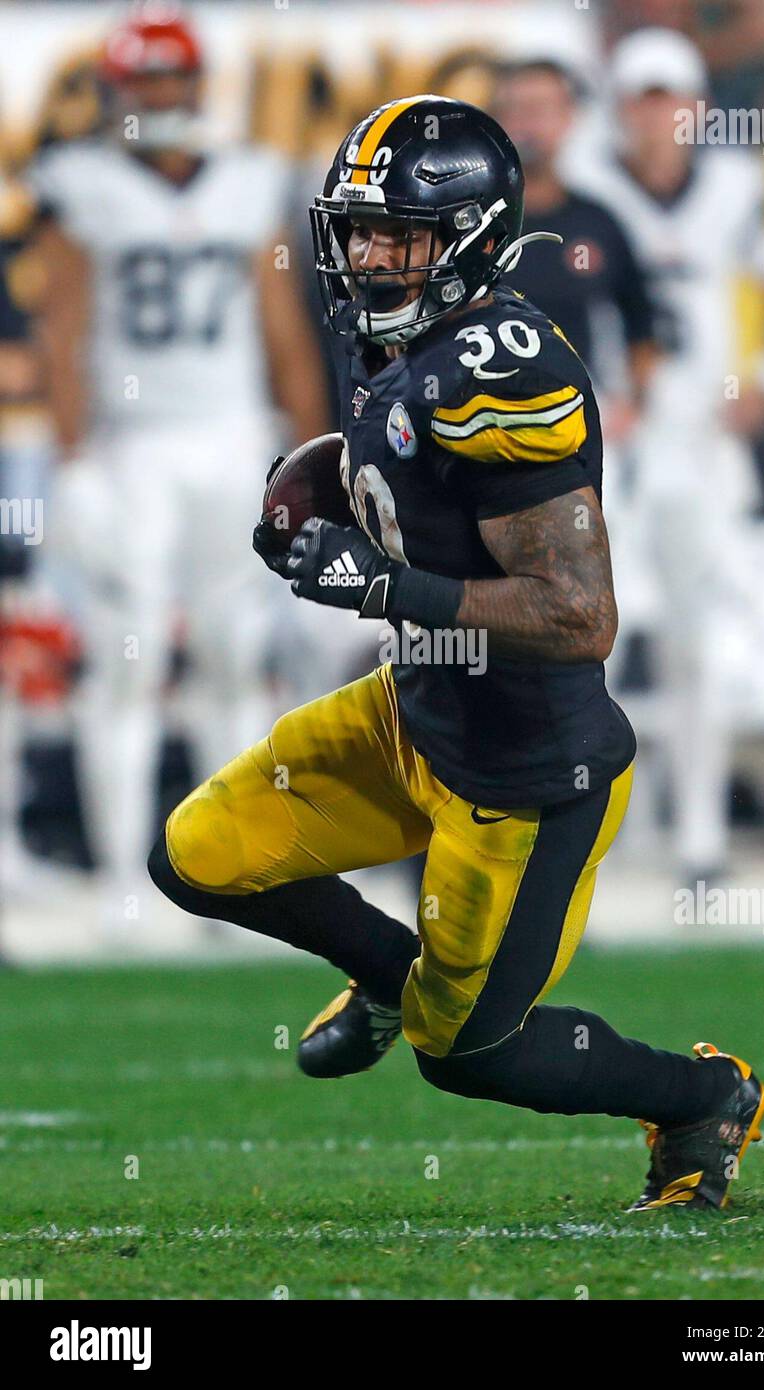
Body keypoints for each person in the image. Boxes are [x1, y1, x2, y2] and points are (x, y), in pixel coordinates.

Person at [149, 94, 764, 1212]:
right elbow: (420, 479)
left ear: (474, 235)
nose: (371, 257)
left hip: (523, 777)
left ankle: (702, 1095)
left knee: (470, 1053)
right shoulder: (396, 339)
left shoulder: (507, 370)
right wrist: (341, 491)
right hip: (415, 712)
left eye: (401, 235)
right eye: (359, 228)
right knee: (198, 854)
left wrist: (391, 582)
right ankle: (391, 980)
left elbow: (581, 616)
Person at [27, 8, 329, 926]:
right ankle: (126, 872)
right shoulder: (81, 185)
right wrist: (71, 458)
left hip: (234, 439)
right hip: (133, 450)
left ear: (197, 85)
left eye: (170, 78)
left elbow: (281, 326)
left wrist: (316, 455)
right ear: (116, 90)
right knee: (129, 661)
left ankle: (226, 872)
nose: (157, 96)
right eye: (141, 80)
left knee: (237, 659)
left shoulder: (246, 182)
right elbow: (62, 328)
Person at [568, 27, 764, 885]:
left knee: (698, 646)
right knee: (593, 643)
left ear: (696, 106)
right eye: (642, 97)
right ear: (619, 106)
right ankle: (601, 836)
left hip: (700, 443)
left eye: (669, 96)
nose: (657, 115)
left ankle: (699, 840)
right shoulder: (587, 188)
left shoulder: (733, 190)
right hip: (605, 447)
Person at [493, 58, 657, 448]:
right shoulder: (471, 224)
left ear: (570, 116)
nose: (527, 124)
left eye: (540, 109)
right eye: (515, 110)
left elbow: (641, 322)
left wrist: (633, 407)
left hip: (575, 425)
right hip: (482, 422)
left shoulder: (598, 222)